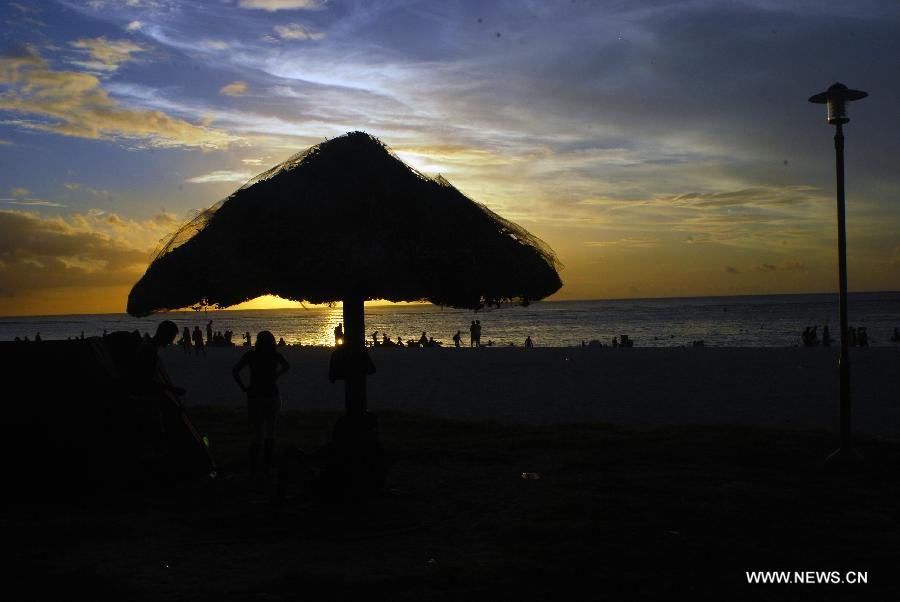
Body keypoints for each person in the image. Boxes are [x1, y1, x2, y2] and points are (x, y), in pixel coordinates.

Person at [233, 331, 290, 482]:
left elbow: (235, 371)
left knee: (256, 434)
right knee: (270, 432)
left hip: (254, 396)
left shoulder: (251, 355)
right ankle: (267, 467)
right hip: (271, 394)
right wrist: (276, 375)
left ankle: (253, 470)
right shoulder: (274, 355)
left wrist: (244, 388)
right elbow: (287, 366)